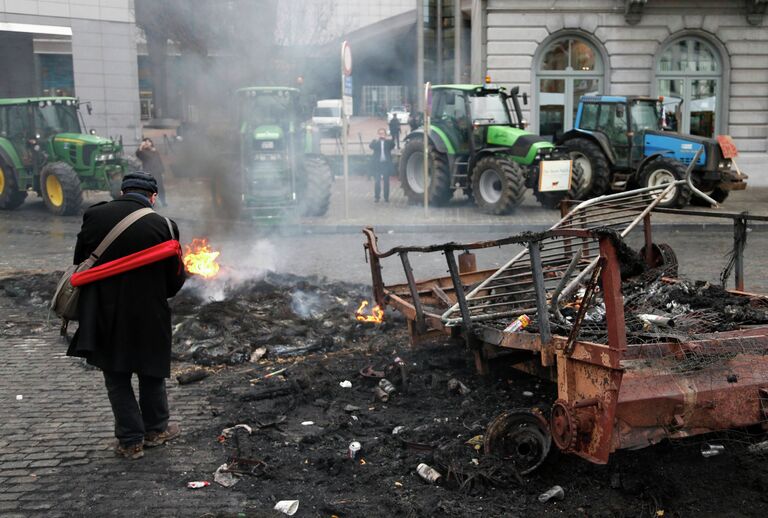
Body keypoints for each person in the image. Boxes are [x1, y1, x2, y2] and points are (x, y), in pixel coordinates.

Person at [67, 172, 186, 460]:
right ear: (153, 197)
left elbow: (80, 261)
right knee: (151, 372)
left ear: (123, 191)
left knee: (117, 377)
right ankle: (156, 430)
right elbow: (174, 281)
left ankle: (130, 441)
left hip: (103, 311)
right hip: (149, 313)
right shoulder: (165, 226)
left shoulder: (94, 216)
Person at [135, 138, 167, 206]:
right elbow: (138, 154)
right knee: (149, 189)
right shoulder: (142, 152)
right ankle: (151, 203)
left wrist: (162, 171)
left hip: (157, 172)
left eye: (148, 142)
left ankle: (163, 202)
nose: (147, 143)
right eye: (145, 142)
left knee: (160, 187)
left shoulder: (155, 151)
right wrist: (141, 146)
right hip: (148, 173)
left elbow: (159, 162)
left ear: (151, 143)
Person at [369, 128, 395, 203]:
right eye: (380, 133)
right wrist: (376, 140)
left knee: (386, 182)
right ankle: (377, 197)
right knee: (377, 181)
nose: (381, 135)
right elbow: (371, 146)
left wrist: (386, 139)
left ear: (385, 134)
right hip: (377, 165)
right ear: (378, 134)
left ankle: (386, 197)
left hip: (385, 164)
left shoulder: (388, 142)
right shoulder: (376, 142)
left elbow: (393, 145)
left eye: (383, 133)